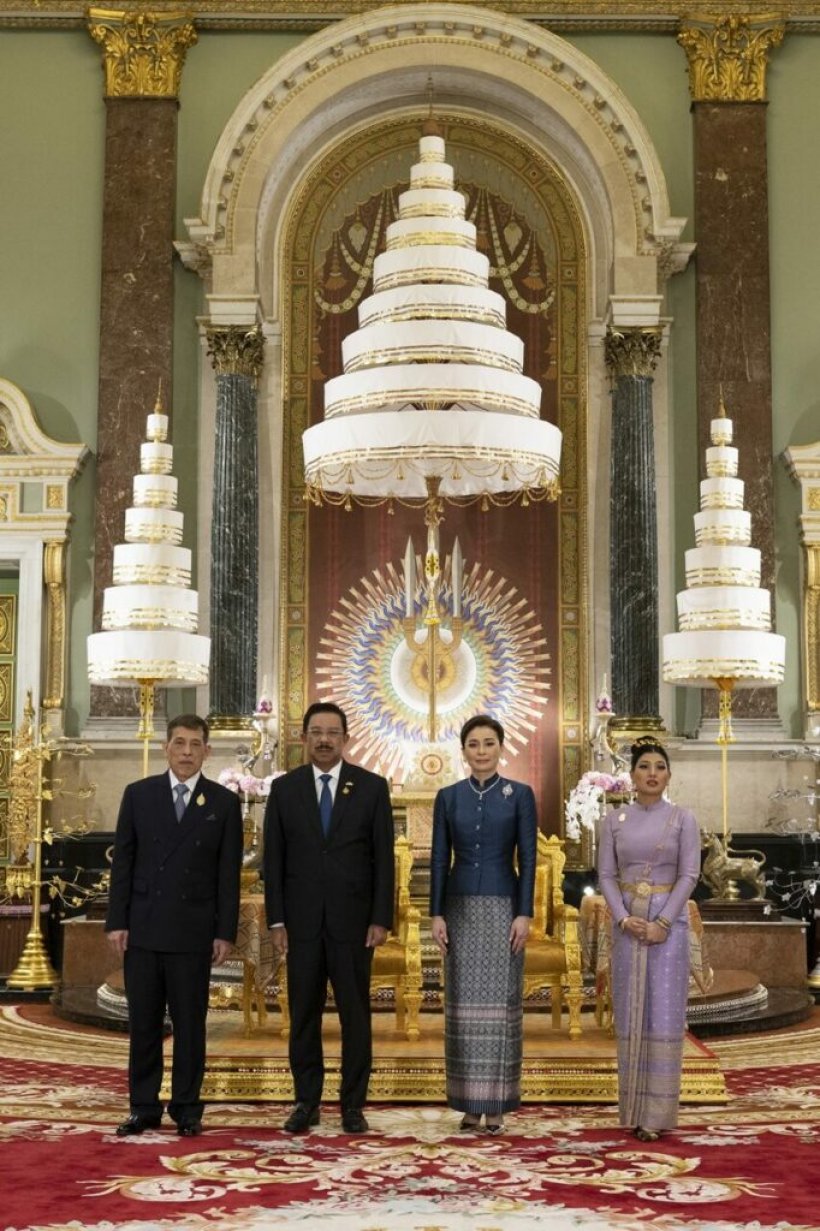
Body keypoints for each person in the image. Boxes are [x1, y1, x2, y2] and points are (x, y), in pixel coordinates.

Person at [106, 714, 243, 1138]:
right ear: (166, 747)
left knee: (190, 1025)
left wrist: (225, 932)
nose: (186, 752)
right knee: (144, 1024)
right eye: (179, 743)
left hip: (193, 932)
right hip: (144, 928)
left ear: (207, 751)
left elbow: (228, 874)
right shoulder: (139, 795)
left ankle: (187, 1107)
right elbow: (123, 864)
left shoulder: (223, 803)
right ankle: (143, 1107)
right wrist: (117, 922)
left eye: (195, 744)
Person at [263, 701, 394, 1134]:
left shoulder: (372, 787)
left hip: (354, 925)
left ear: (345, 738)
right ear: (303, 738)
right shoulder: (284, 789)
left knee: (356, 1015)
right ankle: (306, 1102)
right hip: (300, 924)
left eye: (332, 732)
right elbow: (274, 862)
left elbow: (383, 861)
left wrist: (380, 918)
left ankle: (353, 1105)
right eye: (316, 732)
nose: (324, 739)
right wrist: (277, 920)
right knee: (303, 1014)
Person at [429, 714, 537, 1134]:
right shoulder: (448, 796)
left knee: (500, 1009)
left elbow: (527, 858)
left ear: (501, 747)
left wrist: (524, 912)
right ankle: (470, 1105)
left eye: (488, 743)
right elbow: (440, 858)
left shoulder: (519, 795)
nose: (481, 751)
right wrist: (436, 912)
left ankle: (497, 1106)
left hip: (503, 909)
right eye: (473, 744)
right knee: (462, 1009)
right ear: (464, 751)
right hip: (458, 910)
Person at [597, 736, 701, 1143]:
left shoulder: (682, 819)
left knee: (662, 1015)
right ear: (632, 775)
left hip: (666, 930)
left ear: (669, 775)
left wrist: (662, 921)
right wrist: (623, 919)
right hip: (627, 930)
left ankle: (657, 1115)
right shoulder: (613, 821)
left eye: (659, 766)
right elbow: (605, 875)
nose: (652, 773)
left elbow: (689, 875)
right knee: (631, 1014)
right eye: (644, 766)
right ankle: (633, 1110)